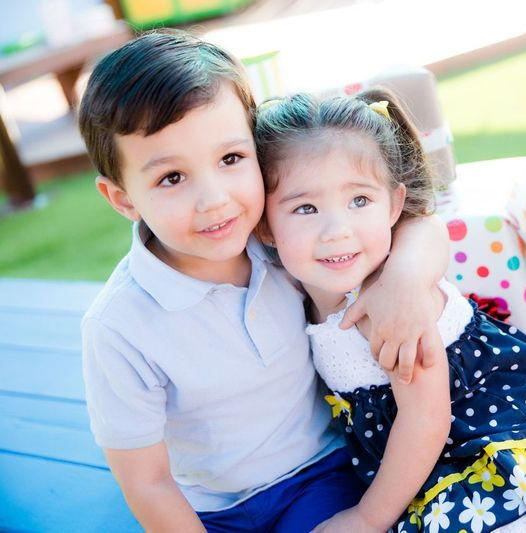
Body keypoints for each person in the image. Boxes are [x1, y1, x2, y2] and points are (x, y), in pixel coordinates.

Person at [78, 30, 450, 532]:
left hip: (320, 474)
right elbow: (148, 482)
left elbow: (419, 222)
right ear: (123, 197)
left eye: (230, 159)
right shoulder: (118, 326)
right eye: (172, 178)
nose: (215, 200)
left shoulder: (284, 240)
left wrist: (405, 279)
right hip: (212, 508)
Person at [256, 90, 526, 533]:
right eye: (305, 208)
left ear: (394, 205)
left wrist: (367, 518)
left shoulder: (383, 306)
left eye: (359, 201)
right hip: (416, 447)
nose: (337, 231)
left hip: (480, 429)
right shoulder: (294, 287)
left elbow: (426, 417)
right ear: (265, 226)